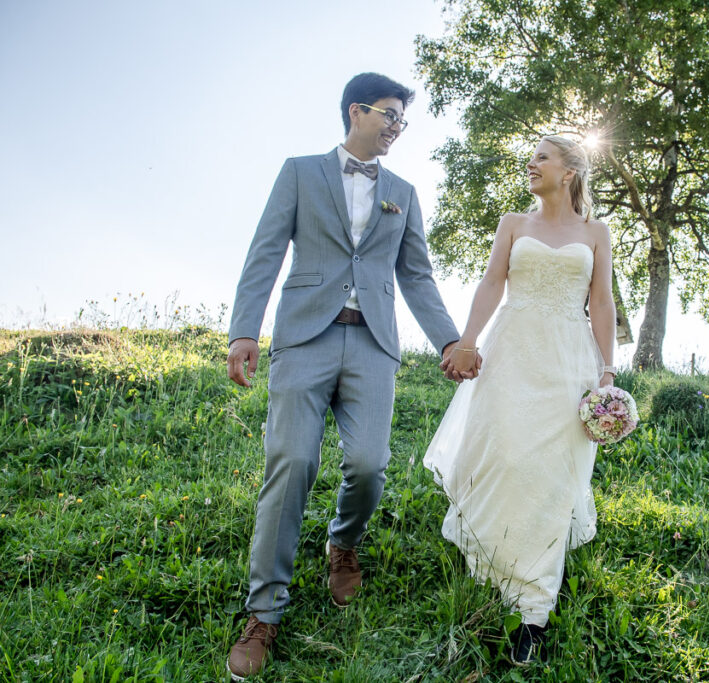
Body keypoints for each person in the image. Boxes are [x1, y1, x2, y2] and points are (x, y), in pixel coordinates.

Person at [224, 72, 477, 680]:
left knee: (367, 463)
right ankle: (265, 612)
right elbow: (265, 251)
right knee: (290, 461)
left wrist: (450, 338)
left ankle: (343, 543)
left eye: (402, 121)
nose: (396, 128)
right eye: (389, 115)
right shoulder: (300, 171)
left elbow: (416, 275)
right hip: (304, 337)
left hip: (372, 344)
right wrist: (243, 330)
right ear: (355, 111)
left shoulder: (404, 192)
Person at [423, 135, 617, 665]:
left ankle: (533, 609)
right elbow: (491, 283)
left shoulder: (595, 233)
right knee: (504, 456)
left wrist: (607, 370)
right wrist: (467, 342)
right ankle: (493, 559)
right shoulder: (513, 223)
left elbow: (601, 302)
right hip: (511, 352)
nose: (530, 165)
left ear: (570, 171)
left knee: (554, 473)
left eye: (541, 158)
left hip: (567, 361)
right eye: (530, 157)